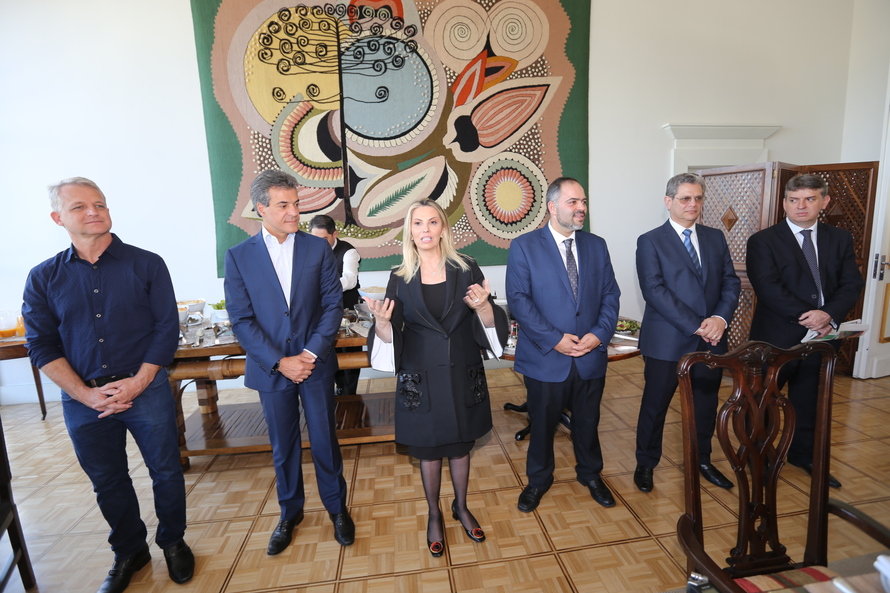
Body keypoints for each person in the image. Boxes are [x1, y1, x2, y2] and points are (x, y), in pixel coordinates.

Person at [22, 177, 194, 593]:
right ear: (57, 218)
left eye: (99, 204)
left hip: (146, 387)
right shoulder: (43, 277)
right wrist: (84, 394)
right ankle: (130, 551)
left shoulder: (147, 263)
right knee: (108, 480)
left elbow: (166, 328)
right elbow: (40, 344)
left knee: (166, 471)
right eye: (79, 206)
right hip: (84, 398)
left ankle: (173, 541)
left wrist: (138, 382)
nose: (93, 212)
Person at [365, 198, 508, 558]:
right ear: (409, 231)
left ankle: (462, 506)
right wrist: (381, 323)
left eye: (432, 222)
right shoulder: (399, 277)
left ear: (443, 228)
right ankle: (434, 513)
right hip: (422, 377)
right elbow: (391, 331)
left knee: (460, 447)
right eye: (418, 223)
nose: (425, 229)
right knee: (428, 451)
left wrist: (484, 306)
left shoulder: (467, 268)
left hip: (461, 372)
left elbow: (488, 321)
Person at [224, 170, 355, 555]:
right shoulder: (239, 256)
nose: (294, 212)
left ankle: (337, 509)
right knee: (283, 446)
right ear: (261, 208)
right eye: (284, 205)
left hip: (315, 365)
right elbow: (241, 320)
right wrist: (281, 361)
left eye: (296, 204)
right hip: (271, 369)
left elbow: (332, 305)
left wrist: (309, 355)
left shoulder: (317, 249)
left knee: (325, 440)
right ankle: (290, 513)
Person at [506, 177, 620, 511]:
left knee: (588, 423)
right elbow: (519, 300)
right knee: (542, 426)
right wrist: (555, 339)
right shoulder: (525, 246)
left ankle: (591, 475)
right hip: (546, 358)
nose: (581, 208)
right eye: (573, 202)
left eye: (583, 201)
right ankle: (538, 481)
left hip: (589, 355)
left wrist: (599, 334)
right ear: (552, 207)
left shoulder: (596, 245)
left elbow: (610, 295)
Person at [746, 174, 864, 489]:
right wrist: (809, 317)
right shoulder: (763, 240)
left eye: (810, 199)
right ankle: (758, 456)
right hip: (776, 338)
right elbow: (767, 287)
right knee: (762, 400)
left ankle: (804, 455)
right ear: (784, 203)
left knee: (811, 400)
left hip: (823, 337)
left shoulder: (840, 238)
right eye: (794, 200)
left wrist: (828, 315)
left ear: (824, 202)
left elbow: (851, 283)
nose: (801, 206)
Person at [634, 173, 741, 493]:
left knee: (706, 405)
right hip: (667, 341)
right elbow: (654, 291)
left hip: (711, 340)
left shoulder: (715, 237)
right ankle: (646, 463)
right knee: (655, 405)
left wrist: (719, 319)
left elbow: (730, 282)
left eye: (697, 198)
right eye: (685, 198)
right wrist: (697, 324)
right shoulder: (650, 241)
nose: (692, 204)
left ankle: (702, 460)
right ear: (669, 202)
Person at [309, 214, 361, 396]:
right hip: (320, 312)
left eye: (324, 239)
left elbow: (350, 279)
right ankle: (334, 393)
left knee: (350, 353)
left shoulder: (348, 251)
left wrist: (320, 287)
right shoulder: (308, 250)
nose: (318, 243)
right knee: (326, 351)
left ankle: (349, 395)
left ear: (335, 234)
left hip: (347, 310)